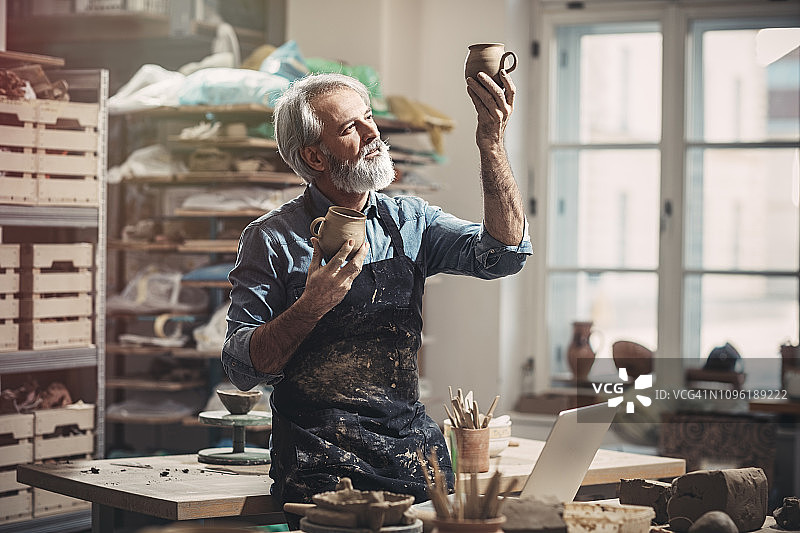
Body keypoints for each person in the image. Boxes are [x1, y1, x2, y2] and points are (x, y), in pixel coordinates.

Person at [223, 68, 531, 523]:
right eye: (351, 127)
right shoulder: (271, 238)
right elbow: (242, 368)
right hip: (321, 466)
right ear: (315, 156)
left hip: (414, 459)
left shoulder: (411, 221)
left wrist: (492, 142)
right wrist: (311, 305)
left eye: (369, 117)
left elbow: (504, 255)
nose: (373, 133)